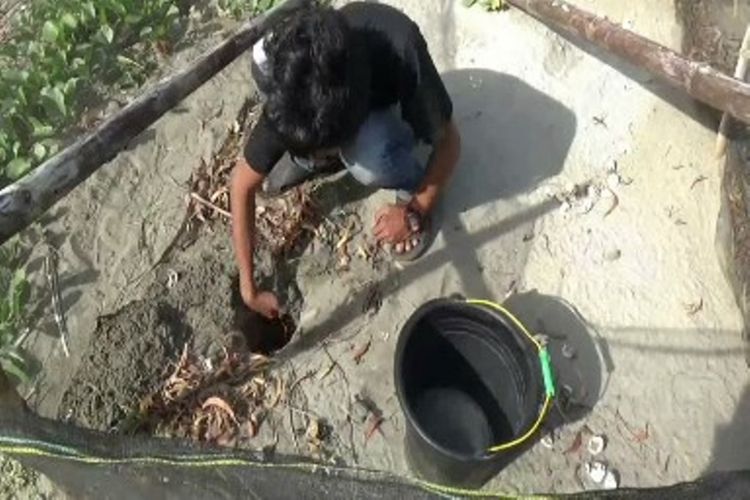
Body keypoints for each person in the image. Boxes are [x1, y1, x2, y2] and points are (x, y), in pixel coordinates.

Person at [230, 2, 461, 319]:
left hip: (385, 104)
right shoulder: (291, 80)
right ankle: (311, 155)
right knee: (277, 168)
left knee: (367, 161)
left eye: (322, 148)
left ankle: (407, 183)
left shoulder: (400, 45)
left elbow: (450, 143)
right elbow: (241, 185)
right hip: (331, 105)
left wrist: (416, 209)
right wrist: (248, 289)